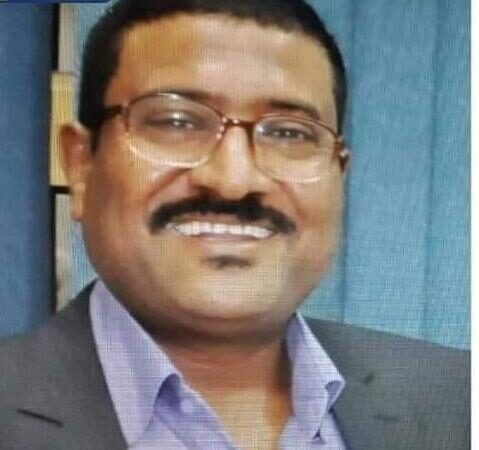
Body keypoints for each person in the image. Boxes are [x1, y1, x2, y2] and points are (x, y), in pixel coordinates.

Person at [0, 0, 469, 449]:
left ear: (338, 175)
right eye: (177, 122)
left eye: (288, 133)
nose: (234, 180)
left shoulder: (459, 403)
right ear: (81, 166)